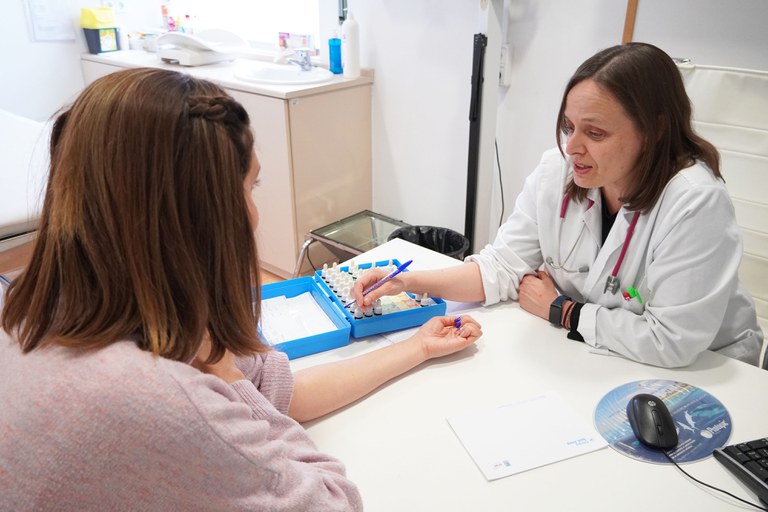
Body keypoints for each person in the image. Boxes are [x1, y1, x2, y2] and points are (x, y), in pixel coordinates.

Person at [0, 67, 482, 511]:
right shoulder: (150, 399)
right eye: (250, 189)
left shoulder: (40, 310)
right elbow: (332, 501)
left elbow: (278, 391)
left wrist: (417, 347)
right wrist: (226, 373)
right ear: (202, 219)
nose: (254, 213)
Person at [353, 42, 764, 369]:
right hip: (598, 357)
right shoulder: (558, 172)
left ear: (655, 131)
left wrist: (562, 311)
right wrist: (409, 281)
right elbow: (501, 267)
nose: (573, 147)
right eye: (569, 126)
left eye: (596, 132)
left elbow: (671, 341)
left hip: (706, 373)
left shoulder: (694, 202)